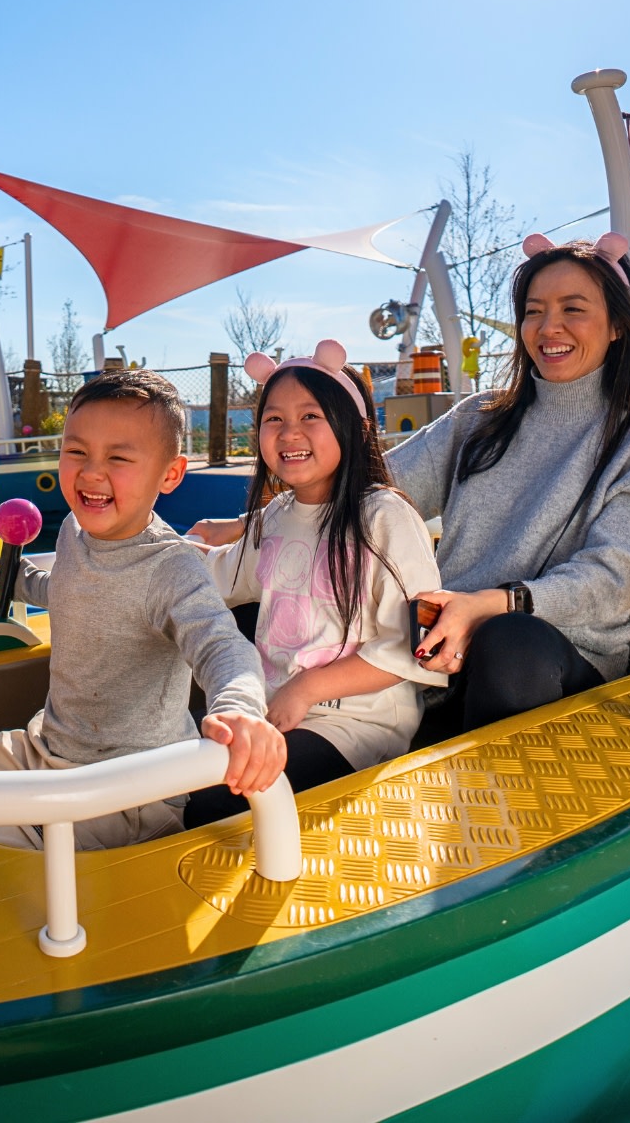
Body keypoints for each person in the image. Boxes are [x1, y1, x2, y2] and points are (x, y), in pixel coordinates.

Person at [190, 233, 630, 737]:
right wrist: (246, 527)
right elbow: (370, 485)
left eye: (572, 309)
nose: (547, 327)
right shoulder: (480, 419)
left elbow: (612, 580)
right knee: (265, 604)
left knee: (510, 644)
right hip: (441, 639)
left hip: (552, 654)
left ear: (619, 324)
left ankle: (488, 792)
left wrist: (489, 605)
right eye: (534, 311)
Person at [0, 369, 285, 850]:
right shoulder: (73, 529)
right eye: (77, 452)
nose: (90, 472)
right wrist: (23, 582)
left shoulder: (171, 568)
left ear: (169, 474)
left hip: (129, 789)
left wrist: (239, 710)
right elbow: (74, 592)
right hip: (45, 749)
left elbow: (222, 647)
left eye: (118, 457)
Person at [184, 341, 441, 828]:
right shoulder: (276, 515)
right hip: (274, 711)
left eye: (310, 416)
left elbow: (417, 642)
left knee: (214, 802)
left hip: (358, 725)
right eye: (274, 419)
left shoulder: (385, 517)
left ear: (355, 429)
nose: (289, 433)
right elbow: (220, 574)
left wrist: (307, 687)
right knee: (178, 771)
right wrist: (148, 556)